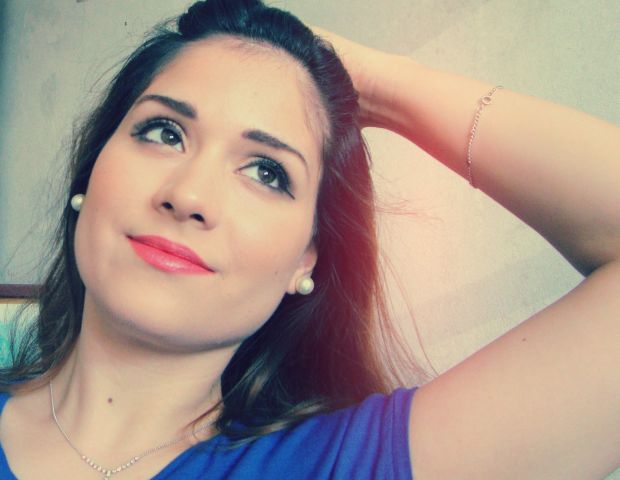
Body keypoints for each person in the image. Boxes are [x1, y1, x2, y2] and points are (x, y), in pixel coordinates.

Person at [0, 0, 618, 478]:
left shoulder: (352, 464)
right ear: (90, 176)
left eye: (266, 172)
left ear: (307, 258)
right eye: (164, 132)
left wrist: (374, 83)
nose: (188, 196)